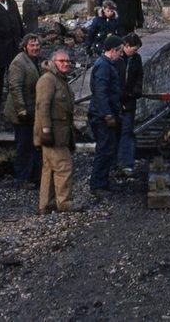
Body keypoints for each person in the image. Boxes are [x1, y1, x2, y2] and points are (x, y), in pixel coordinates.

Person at [34, 49, 81, 213]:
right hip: (54, 133)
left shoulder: (59, 80)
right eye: (62, 61)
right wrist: (46, 130)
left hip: (60, 132)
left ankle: (45, 204)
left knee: (49, 168)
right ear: (54, 62)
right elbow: (42, 106)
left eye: (68, 61)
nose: (66, 64)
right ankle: (64, 202)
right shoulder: (48, 80)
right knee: (64, 166)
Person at [4, 33, 43, 187]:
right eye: (32, 45)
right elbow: (15, 87)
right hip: (21, 111)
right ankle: (21, 178)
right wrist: (21, 111)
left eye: (37, 45)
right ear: (25, 46)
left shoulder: (34, 61)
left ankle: (34, 174)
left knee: (33, 144)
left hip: (32, 109)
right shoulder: (19, 62)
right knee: (24, 144)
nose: (36, 48)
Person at [88, 34, 124, 194]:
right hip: (101, 116)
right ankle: (97, 184)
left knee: (107, 148)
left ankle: (102, 181)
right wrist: (107, 114)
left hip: (103, 113)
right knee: (104, 150)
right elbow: (101, 93)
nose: (121, 54)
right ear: (113, 50)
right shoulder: (104, 66)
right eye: (120, 51)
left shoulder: (106, 64)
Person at [115, 33, 143, 177]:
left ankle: (126, 163)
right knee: (116, 132)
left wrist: (137, 90)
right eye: (134, 49)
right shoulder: (117, 59)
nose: (135, 52)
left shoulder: (136, 59)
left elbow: (139, 76)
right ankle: (117, 162)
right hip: (117, 101)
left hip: (129, 101)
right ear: (126, 46)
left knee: (127, 131)